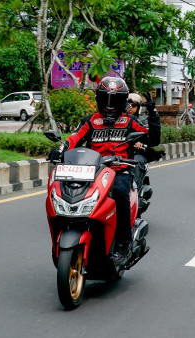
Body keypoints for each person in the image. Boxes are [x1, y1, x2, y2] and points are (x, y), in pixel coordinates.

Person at [56, 77, 161, 266]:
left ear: (123, 101)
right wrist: (61, 150)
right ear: (99, 99)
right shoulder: (90, 121)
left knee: (120, 193)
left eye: (116, 100)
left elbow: (153, 139)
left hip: (120, 170)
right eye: (106, 99)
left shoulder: (130, 121)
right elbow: (73, 139)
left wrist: (152, 113)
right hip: (93, 172)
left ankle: (124, 245)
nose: (110, 105)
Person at [126, 92, 161, 191]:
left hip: (136, 154)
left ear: (138, 107)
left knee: (136, 163)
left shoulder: (142, 122)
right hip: (118, 154)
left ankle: (133, 195)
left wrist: (152, 112)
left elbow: (154, 139)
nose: (130, 108)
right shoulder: (116, 121)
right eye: (128, 105)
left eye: (133, 106)